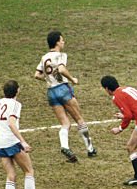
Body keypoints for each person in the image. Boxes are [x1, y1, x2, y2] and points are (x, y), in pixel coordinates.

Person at [34, 31, 97, 162]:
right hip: (63, 88)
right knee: (79, 119)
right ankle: (90, 149)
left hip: (51, 92)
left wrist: (49, 80)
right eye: (62, 40)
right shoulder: (61, 55)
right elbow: (62, 69)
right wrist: (72, 79)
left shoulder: (44, 57)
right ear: (57, 42)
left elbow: (37, 75)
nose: (63, 42)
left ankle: (65, 146)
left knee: (65, 123)